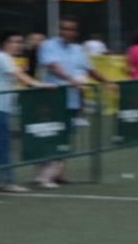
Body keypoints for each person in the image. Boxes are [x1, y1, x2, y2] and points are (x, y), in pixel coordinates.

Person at [36, 18, 115, 187]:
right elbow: (53, 67)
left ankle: (58, 173)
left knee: (65, 137)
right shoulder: (48, 45)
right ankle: (44, 176)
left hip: (72, 100)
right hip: (52, 100)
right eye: (64, 28)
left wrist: (107, 82)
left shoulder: (78, 49)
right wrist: (70, 79)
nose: (67, 32)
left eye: (71, 29)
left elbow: (90, 70)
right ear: (59, 30)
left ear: (76, 32)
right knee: (50, 136)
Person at [0, 32, 49, 192]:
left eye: (19, 42)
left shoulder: (4, 58)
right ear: (4, 43)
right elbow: (19, 75)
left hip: (0, 107)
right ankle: (8, 181)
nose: (17, 45)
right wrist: (39, 84)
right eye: (13, 41)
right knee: (3, 145)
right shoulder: (2, 57)